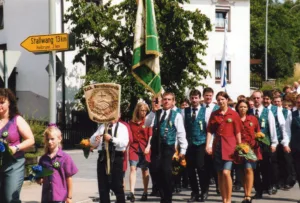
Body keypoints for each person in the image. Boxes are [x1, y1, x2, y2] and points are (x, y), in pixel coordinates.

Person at [150, 92, 188, 203]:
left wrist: (183, 150)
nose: (166, 101)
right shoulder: (157, 113)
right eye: (165, 99)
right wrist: (153, 110)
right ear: (162, 101)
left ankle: (167, 198)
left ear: (173, 102)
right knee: (155, 171)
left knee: (166, 172)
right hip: (156, 147)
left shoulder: (177, 115)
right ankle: (163, 195)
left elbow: (181, 133)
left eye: (169, 99)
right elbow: (147, 123)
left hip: (168, 146)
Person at [206, 91, 242, 203]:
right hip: (217, 146)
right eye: (219, 100)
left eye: (222, 99)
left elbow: (238, 132)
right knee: (220, 174)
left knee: (227, 172)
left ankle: (229, 199)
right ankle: (224, 199)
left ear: (227, 100)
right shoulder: (214, 114)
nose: (221, 101)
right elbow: (210, 131)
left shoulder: (234, 114)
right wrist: (208, 145)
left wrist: (240, 146)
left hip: (230, 146)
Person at [0, 88, 35, 203]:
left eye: (2, 102)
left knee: (10, 199)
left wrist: (16, 148)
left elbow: (31, 139)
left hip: (14, 165)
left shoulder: (17, 120)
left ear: (9, 102)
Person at [90, 119, 129, 203]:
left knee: (117, 185)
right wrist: (95, 139)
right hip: (103, 157)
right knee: (103, 186)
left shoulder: (122, 127)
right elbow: (91, 140)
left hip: (116, 157)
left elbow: (124, 143)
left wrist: (111, 139)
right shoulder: (102, 126)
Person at [38, 125, 78, 203]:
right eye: (47, 139)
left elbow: (69, 178)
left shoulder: (65, 158)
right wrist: (39, 179)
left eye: (52, 139)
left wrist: (69, 197)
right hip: (46, 197)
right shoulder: (43, 159)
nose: (49, 142)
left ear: (59, 139)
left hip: (60, 197)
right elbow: (39, 176)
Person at [182, 89, 209, 202]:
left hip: (201, 143)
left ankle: (204, 191)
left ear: (200, 98)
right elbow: (182, 128)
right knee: (190, 169)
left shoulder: (205, 111)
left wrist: (209, 144)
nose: (194, 100)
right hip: (189, 144)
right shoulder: (185, 111)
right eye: (192, 98)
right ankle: (195, 192)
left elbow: (208, 129)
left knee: (200, 167)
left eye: (196, 97)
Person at [250, 90, 278, 199]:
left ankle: (268, 185)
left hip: (265, 144)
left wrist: (274, 143)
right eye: (254, 98)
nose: (256, 100)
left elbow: (272, 128)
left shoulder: (268, 112)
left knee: (265, 167)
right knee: (255, 168)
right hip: (252, 145)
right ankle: (258, 190)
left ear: (262, 99)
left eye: (258, 98)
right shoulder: (250, 112)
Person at [235, 100, 262, 203]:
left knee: (249, 169)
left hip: (251, 149)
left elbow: (258, 132)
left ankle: (248, 195)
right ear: (237, 108)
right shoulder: (234, 119)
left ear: (248, 108)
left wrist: (259, 140)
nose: (243, 109)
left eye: (245, 107)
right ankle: (245, 193)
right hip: (239, 148)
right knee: (242, 171)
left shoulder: (253, 119)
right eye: (241, 107)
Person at [127, 102, 152, 202]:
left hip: (144, 148)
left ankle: (145, 192)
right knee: (133, 168)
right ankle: (131, 192)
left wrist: (148, 146)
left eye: (145, 111)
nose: (144, 113)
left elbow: (150, 135)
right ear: (137, 111)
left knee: (144, 170)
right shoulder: (131, 122)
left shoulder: (148, 121)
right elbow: (129, 136)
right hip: (134, 148)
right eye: (142, 110)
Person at [285, 94, 300, 203]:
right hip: (296, 147)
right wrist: (286, 143)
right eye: (298, 102)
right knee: (299, 172)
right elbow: (287, 131)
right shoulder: (292, 115)